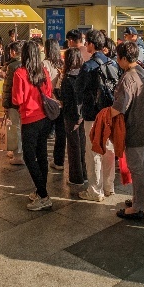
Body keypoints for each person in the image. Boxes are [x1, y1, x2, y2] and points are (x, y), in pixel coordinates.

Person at [111, 41, 144, 220]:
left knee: (137, 168)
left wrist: (105, 115)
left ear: (124, 58)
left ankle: (138, 208)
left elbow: (120, 107)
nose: (117, 60)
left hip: (135, 129)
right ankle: (140, 199)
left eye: (118, 57)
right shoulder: (142, 71)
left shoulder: (128, 77)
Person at [12, 40, 56, 210]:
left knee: (29, 157)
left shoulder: (20, 73)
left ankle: (44, 196)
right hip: (45, 118)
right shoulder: (43, 71)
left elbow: (18, 99)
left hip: (30, 119)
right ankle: (40, 191)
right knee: (42, 155)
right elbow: (49, 93)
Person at [76, 30, 119, 201]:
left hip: (92, 114)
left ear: (92, 45)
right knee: (109, 149)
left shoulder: (88, 66)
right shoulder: (113, 64)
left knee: (93, 151)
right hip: (110, 113)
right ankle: (109, 186)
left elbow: (78, 89)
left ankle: (95, 190)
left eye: (87, 43)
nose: (86, 46)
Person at [60, 47, 87, 195]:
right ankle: (85, 173)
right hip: (84, 115)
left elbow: (65, 100)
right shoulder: (83, 75)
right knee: (82, 144)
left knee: (73, 146)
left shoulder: (67, 78)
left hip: (71, 116)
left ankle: (76, 177)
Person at [44, 37, 66, 171]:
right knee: (60, 133)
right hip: (60, 101)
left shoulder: (44, 63)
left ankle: (42, 158)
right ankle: (59, 161)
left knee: (45, 132)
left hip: (48, 100)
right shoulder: (62, 63)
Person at [1, 41, 24, 165]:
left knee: (16, 128)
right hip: (26, 102)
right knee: (22, 127)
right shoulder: (28, 63)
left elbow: (8, 87)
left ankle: (18, 154)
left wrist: (5, 104)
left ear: (14, 52)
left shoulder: (13, 66)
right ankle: (20, 151)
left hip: (14, 102)